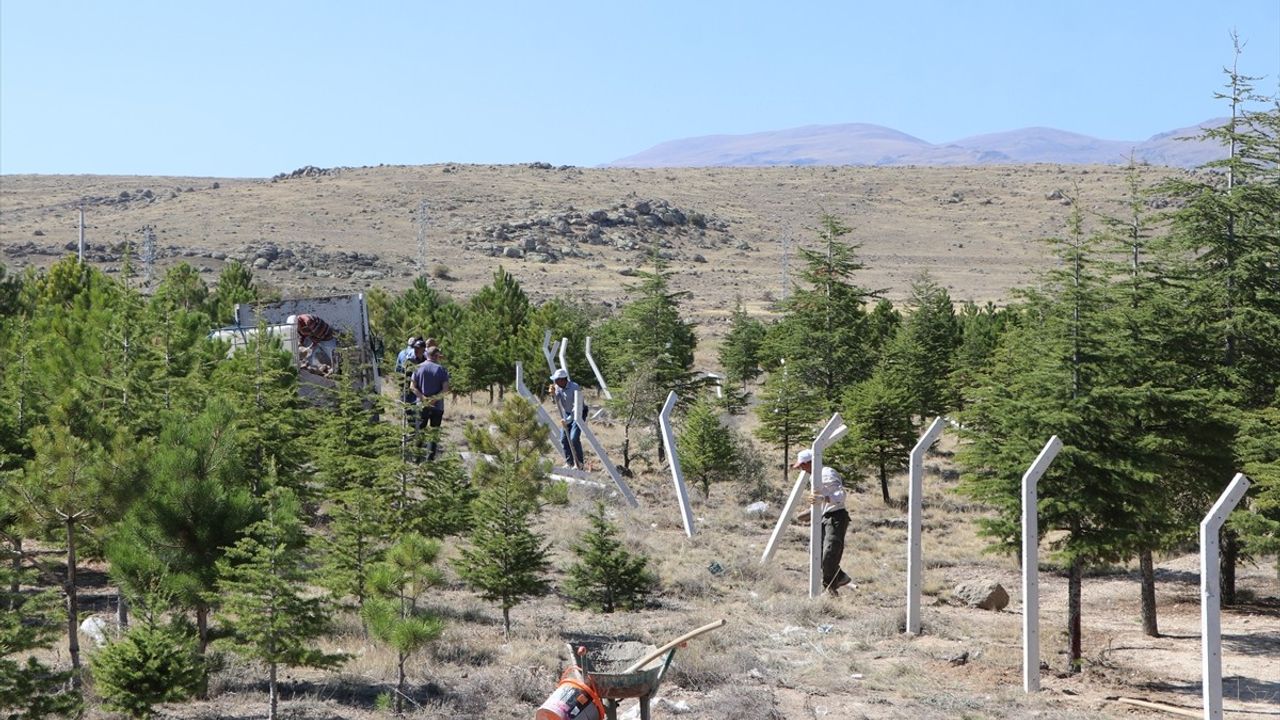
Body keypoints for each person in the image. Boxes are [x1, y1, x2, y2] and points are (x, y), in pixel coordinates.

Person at [794, 448, 853, 596]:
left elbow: (840, 495)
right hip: (825, 517)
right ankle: (840, 577)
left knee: (829, 553)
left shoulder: (826, 473)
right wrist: (810, 512)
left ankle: (829, 589)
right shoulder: (815, 476)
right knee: (816, 553)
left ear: (810, 462)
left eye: (803, 465)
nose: (801, 469)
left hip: (836, 517)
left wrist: (823, 500)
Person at [410, 345, 450, 461]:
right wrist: (434, 399)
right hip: (437, 407)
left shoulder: (418, 368)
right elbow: (445, 389)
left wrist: (423, 398)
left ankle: (416, 458)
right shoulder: (441, 370)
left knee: (420, 431)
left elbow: (412, 387)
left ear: (427, 355)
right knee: (434, 433)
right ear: (437, 356)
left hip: (422, 405)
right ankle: (429, 460)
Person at [548, 368, 586, 469]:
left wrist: (568, 420)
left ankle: (580, 463)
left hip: (579, 412)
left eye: (556, 380)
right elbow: (555, 401)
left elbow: (577, 407)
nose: (555, 382)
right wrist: (552, 394)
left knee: (573, 438)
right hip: (567, 413)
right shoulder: (558, 387)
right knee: (564, 439)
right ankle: (569, 463)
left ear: (563, 380)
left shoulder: (575, 387)